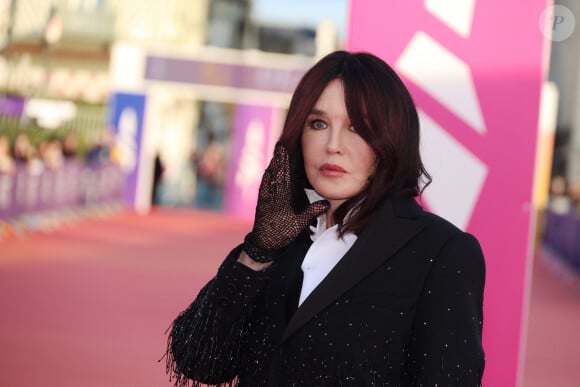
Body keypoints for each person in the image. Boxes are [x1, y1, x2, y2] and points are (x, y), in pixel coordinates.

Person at [164, 51, 486, 386]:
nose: (333, 145)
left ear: (391, 137)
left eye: (357, 127)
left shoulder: (441, 252)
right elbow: (198, 360)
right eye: (319, 124)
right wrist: (256, 254)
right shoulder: (280, 241)